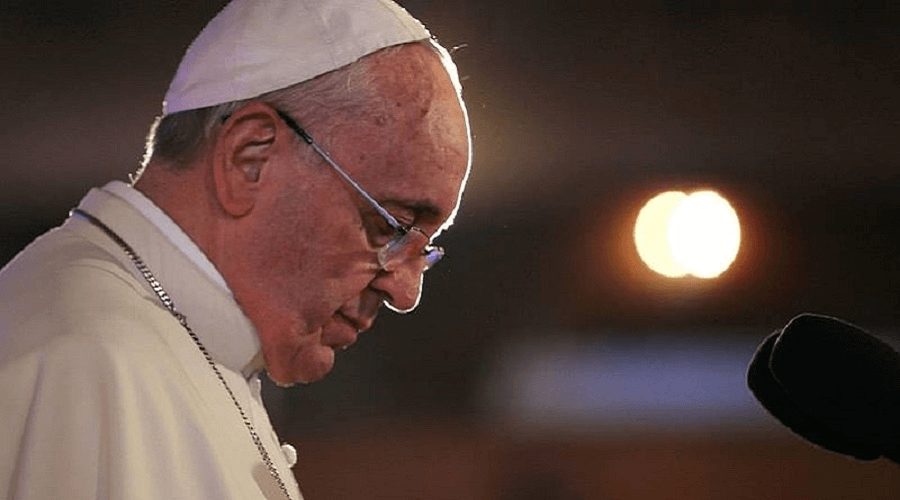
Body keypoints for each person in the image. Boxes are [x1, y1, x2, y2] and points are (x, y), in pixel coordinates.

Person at [0, 0, 471, 498]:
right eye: (390, 226)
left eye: (424, 249)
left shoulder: (175, 342)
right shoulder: (81, 363)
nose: (406, 293)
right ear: (250, 157)